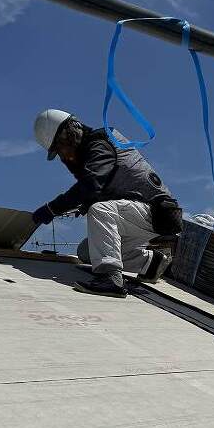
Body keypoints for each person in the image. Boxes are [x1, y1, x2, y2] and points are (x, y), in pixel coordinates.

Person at [31, 109, 182, 298]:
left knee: (100, 210)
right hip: (146, 215)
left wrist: (52, 208)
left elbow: (91, 184)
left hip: (158, 212)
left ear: (70, 133)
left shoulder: (99, 145)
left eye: (60, 147)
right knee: (88, 253)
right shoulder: (91, 151)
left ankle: (111, 279)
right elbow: (103, 186)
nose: (63, 156)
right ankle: (150, 263)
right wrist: (86, 200)